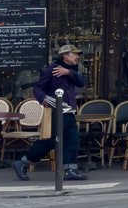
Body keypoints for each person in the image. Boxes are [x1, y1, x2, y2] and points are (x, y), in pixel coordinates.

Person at [13, 45, 88, 181]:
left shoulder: (72, 70)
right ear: (65, 55)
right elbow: (38, 88)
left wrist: (68, 73)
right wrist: (44, 99)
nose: (78, 57)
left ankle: (70, 170)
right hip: (56, 111)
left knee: (72, 139)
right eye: (75, 54)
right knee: (50, 141)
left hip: (69, 111)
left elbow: (82, 82)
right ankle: (23, 162)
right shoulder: (50, 70)